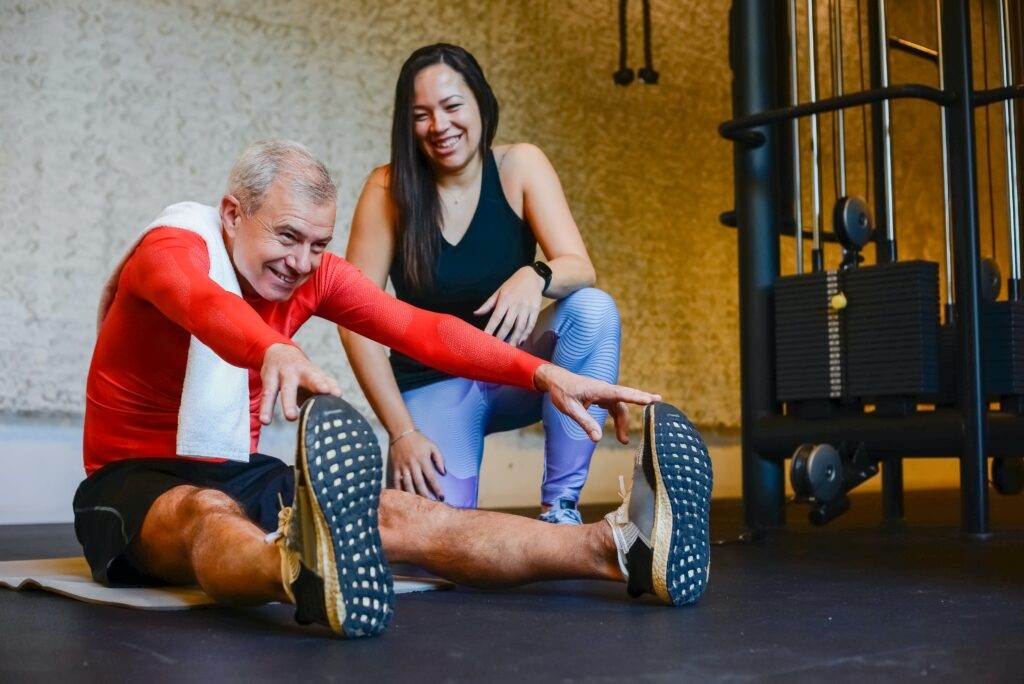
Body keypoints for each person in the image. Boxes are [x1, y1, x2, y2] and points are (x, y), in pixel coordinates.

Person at [73, 139, 712, 639]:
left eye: (318, 245)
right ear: (233, 214)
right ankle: (300, 567)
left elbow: (420, 330)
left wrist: (543, 373)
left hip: (239, 467)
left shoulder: (312, 275)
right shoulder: (170, 248)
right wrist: (272, 347)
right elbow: (200, 302)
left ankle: (620, 548)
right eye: (287, 236)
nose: (302, 262)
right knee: (201, 513)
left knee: (405, 513)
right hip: (133, 477)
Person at [340, 44, 621, 523]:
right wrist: (402, 433)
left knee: (592, 309)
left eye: (452, 106)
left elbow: (580, 266)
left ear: (480, 104)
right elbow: (355, 320)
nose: (440, 126)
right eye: (421, 115)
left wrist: (536, 275)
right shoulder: (386, 190)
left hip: (520, 373)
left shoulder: (521, 165)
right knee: (436, 541)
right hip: (434, 384)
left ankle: (561, 508)